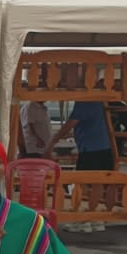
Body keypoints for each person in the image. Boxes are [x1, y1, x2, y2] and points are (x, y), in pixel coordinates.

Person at [47, 98, 115, 232]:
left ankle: (82, 219)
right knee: (98, 183)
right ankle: (94, 217)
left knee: (81, 183)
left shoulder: (84, 101)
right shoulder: (99, 100)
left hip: (90, 148)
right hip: (105, 146)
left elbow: (71, 122)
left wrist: (54, 140)